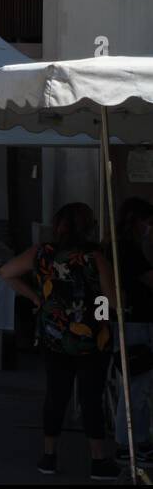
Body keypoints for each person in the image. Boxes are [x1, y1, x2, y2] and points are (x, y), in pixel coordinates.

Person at [0, 203, 120, 479]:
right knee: (92, 397)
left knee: (56, 395)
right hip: (92, 337)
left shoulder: (42, 253)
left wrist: (36, 298)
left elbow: (6, 273)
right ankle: (98, 460)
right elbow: (113, 300)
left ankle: (49, 455)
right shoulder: (95, 257)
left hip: (54, 335)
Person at [113, 197, 153, 465]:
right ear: (137, 222)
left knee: (136, 385)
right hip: (135, 322)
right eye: (148, 222)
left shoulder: (121, 247)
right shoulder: (128, 250)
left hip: (131, 321)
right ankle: (128, 445)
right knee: (136, 386)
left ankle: (136, 441)